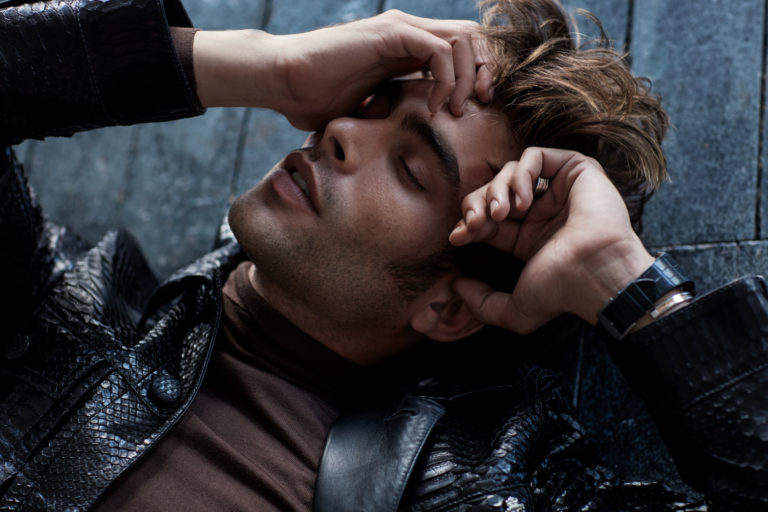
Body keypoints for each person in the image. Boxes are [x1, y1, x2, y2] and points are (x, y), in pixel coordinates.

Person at [0, 0, 766, 511]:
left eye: (410, 168)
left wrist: (623, 282)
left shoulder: (475, 490)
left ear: (449, 306)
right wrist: (266, 67)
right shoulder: (59, 312)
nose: (338, 132)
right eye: (369, 104)